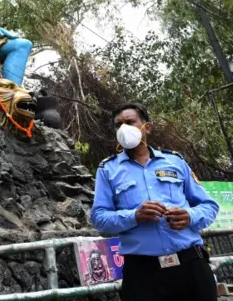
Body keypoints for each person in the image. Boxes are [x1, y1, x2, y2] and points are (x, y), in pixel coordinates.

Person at [91, 102, 219, 301]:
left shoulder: (175, 162)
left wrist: (190, 216)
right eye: (118, 125)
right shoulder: (108, 170)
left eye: (130, 122)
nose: (124, 128)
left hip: (191, 266)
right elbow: (99, 218)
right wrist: (134, 216)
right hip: (143, 274)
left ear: (147, 127)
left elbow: (210, 206)